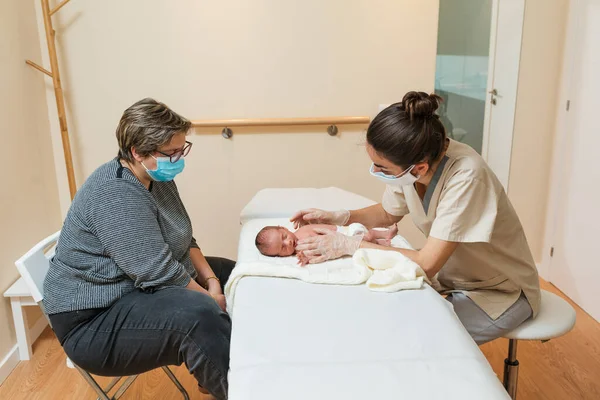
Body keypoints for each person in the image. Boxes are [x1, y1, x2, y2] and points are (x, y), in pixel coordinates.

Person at [292, 91, 541, 345]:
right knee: (390, 318)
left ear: (419, 168)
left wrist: (349, 245)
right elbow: (388, 213)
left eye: (382, 168)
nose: (375, 172)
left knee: (422, 341)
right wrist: (338, 217)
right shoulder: (414, 160)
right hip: (456, 277)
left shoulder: (466, 176)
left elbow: (427, 262)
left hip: (501, 290)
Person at [43, 98, 233, 399]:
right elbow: (159, 273)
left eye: (182, 149)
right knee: (199, 315)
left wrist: (213, 282)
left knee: (233, 273)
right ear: (138, 153)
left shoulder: (157, 177)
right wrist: (211, 300)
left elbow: (185, 240)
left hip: (133, 287)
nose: (179, 158)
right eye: (172, 152)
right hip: (93, 318)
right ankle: (234, 385)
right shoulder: (115, 194)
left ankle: (224, 365)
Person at [255, 223, 398, 257]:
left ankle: (385, 234)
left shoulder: (303, 231)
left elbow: (320, 227)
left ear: (284, 228)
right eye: (282, 248)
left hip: (343, 234)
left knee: (368, 235)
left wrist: (337, 228)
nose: (288, 243)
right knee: (367, 240)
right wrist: (305, 259)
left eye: (284, 237)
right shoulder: (299, 251)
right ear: (280, 256)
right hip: (343, 243)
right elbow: (315, 254)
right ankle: (383, 242)